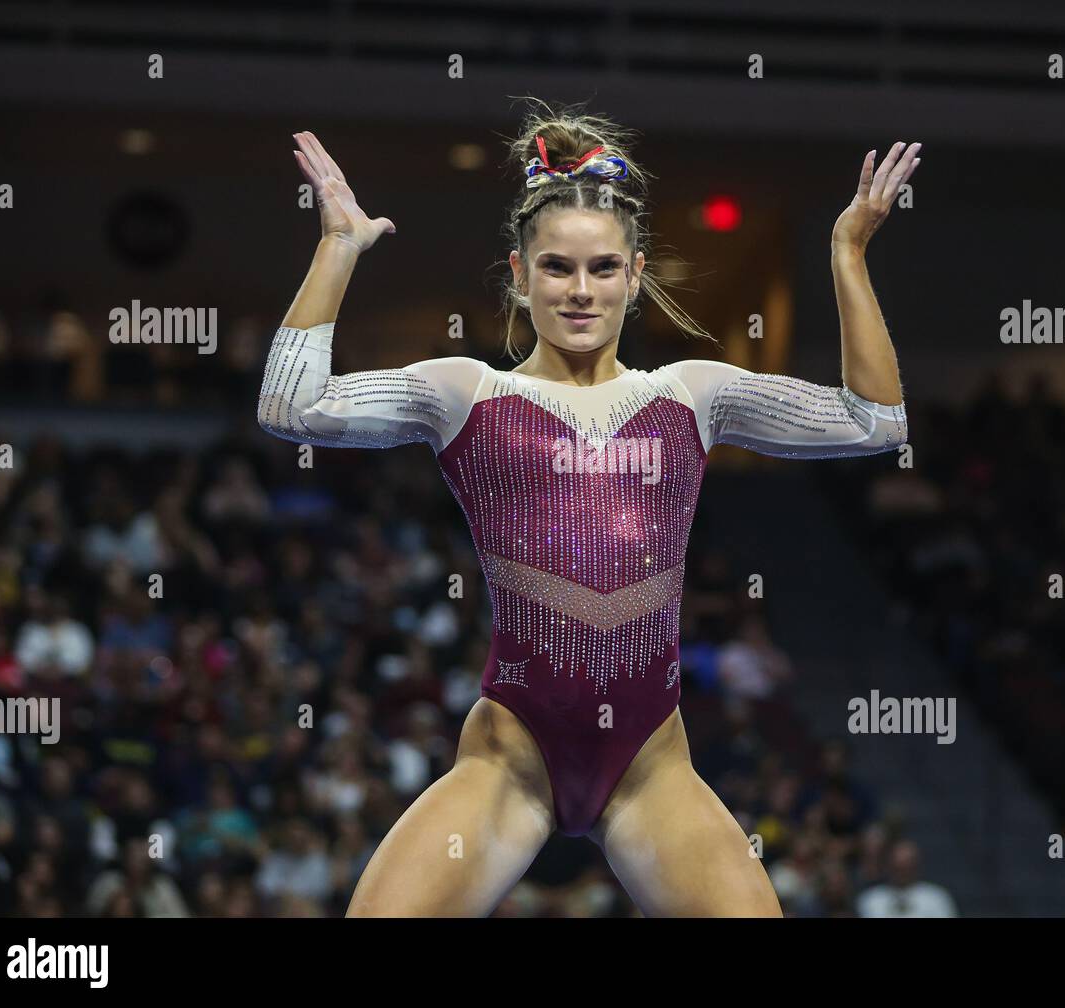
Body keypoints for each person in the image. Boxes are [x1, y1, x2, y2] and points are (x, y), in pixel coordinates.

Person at [258, 101, 917, 917]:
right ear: (518, 272)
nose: (580, 291)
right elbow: (292, 407)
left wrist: (846, 252)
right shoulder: (466, 392)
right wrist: (337, 247)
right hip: (512, 759)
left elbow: (874, 422)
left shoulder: (691, 394)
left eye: (603, 268)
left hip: (649, 766)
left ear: (636, 274)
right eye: (557, 268)